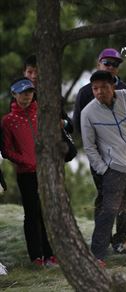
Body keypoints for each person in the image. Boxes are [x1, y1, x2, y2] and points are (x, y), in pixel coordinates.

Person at [81, 70, 126, 267]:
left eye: (103, 87)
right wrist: (104, 169)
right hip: (114, 169)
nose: (99, 92)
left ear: (113, 86)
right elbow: (89, 147)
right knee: (108, 212)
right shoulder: (88, 113)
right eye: (95, 88)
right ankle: (98, 256)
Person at [73, 48, 126, 254]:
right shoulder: (86, 92)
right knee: (106, 198)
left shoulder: (124, 90)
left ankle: (120, 240)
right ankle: (101, 242)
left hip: (123, 154)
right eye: (107, 63)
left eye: (115, 64)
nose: (111, 67)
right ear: (99, 63)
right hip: (99, 155)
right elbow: (79, 126)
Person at [1, 78, 57, 267]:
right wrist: (28, 161)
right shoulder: (8, 121)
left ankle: (51, 254)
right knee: (32, 214)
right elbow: (6, 150)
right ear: (14, 95)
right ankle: (37, 256)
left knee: (48, 212)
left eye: (30, 93)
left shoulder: (41, 114)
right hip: (26, 174)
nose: (26, 97)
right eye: (22, 93)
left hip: (46, 172)